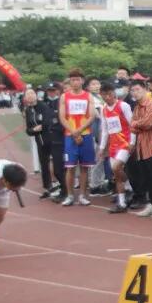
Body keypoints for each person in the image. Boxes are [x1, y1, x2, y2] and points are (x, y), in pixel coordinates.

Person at [58, 68, 96, 207]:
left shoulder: (88, 96)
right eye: (72, 80)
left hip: (85, 134)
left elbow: (91, 116)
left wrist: (79, 131)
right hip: (70, 135)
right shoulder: (64, 97)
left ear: (82, 81)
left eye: (77, 79)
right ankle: (69, 195)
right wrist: (73, 131)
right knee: (70, 167)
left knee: (85, 167)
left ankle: (82, 196)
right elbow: (62, 117)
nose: (75, 82)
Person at [128, 81, 152, 219]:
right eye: (133, 90)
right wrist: (137, 124)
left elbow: (147, 123)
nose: (135, 92)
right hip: (141, 147)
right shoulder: (137, 108)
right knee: (146, 177)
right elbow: (131, 127)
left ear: (144, 89)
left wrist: (136, 124)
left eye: (137, 89)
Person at [99, 83, 134, 214]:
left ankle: (129, 185)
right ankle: (122, 203)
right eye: (104, 95)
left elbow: (132, 124)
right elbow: (105, 130)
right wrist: (102, 147)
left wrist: (132, 142)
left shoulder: (123, 106)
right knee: (117, 175)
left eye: (109, 94)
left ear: (114, 93)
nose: (107, 97)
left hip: (125, 143)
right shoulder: (104, 109)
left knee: (116, 167)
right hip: (113, 145)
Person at [21, 89, 56, 199]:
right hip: (39, 142)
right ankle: (47, 188)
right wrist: (34, 129)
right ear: (25, 98)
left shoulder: (43, 106)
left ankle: (59, 186)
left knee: (55, 163)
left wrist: (41, 127)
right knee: (44, 165)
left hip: (51, 139)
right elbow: (28, 130)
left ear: (36, 95)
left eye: (32, 93)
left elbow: (48, 122)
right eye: (28, 94)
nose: (30, 96)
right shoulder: (28, 110)